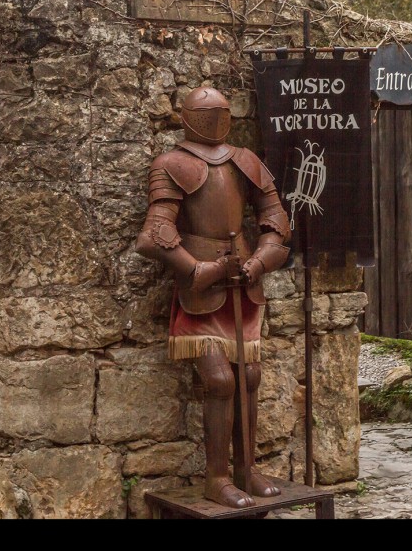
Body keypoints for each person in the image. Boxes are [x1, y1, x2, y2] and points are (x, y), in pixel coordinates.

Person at [135, 86, 292, 509]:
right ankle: (216, 477)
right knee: (220, 380)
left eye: (221, 114)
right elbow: (153, 235)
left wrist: (258, 261)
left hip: (244, 280)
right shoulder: (171, 164)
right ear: (188, 118)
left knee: (250, 377)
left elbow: (275, 219)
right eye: (209, 114)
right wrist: (197, 268)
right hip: (200, 286)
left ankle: (245, 470)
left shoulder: (245, 160)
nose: (216, 121)